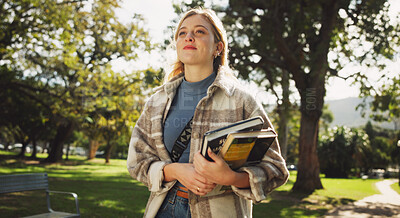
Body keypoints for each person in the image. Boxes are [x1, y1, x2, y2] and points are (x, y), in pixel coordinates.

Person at [127, 8, 289, 218]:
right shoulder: (157, 102)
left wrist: (230, 177)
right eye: (182, 33)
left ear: (218, 47)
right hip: (164, 209)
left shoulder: (241, 101)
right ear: (176, 44)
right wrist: (174, 170)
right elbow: (136, 161)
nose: (189, 37)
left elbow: (275, 168)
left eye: (200, 32)